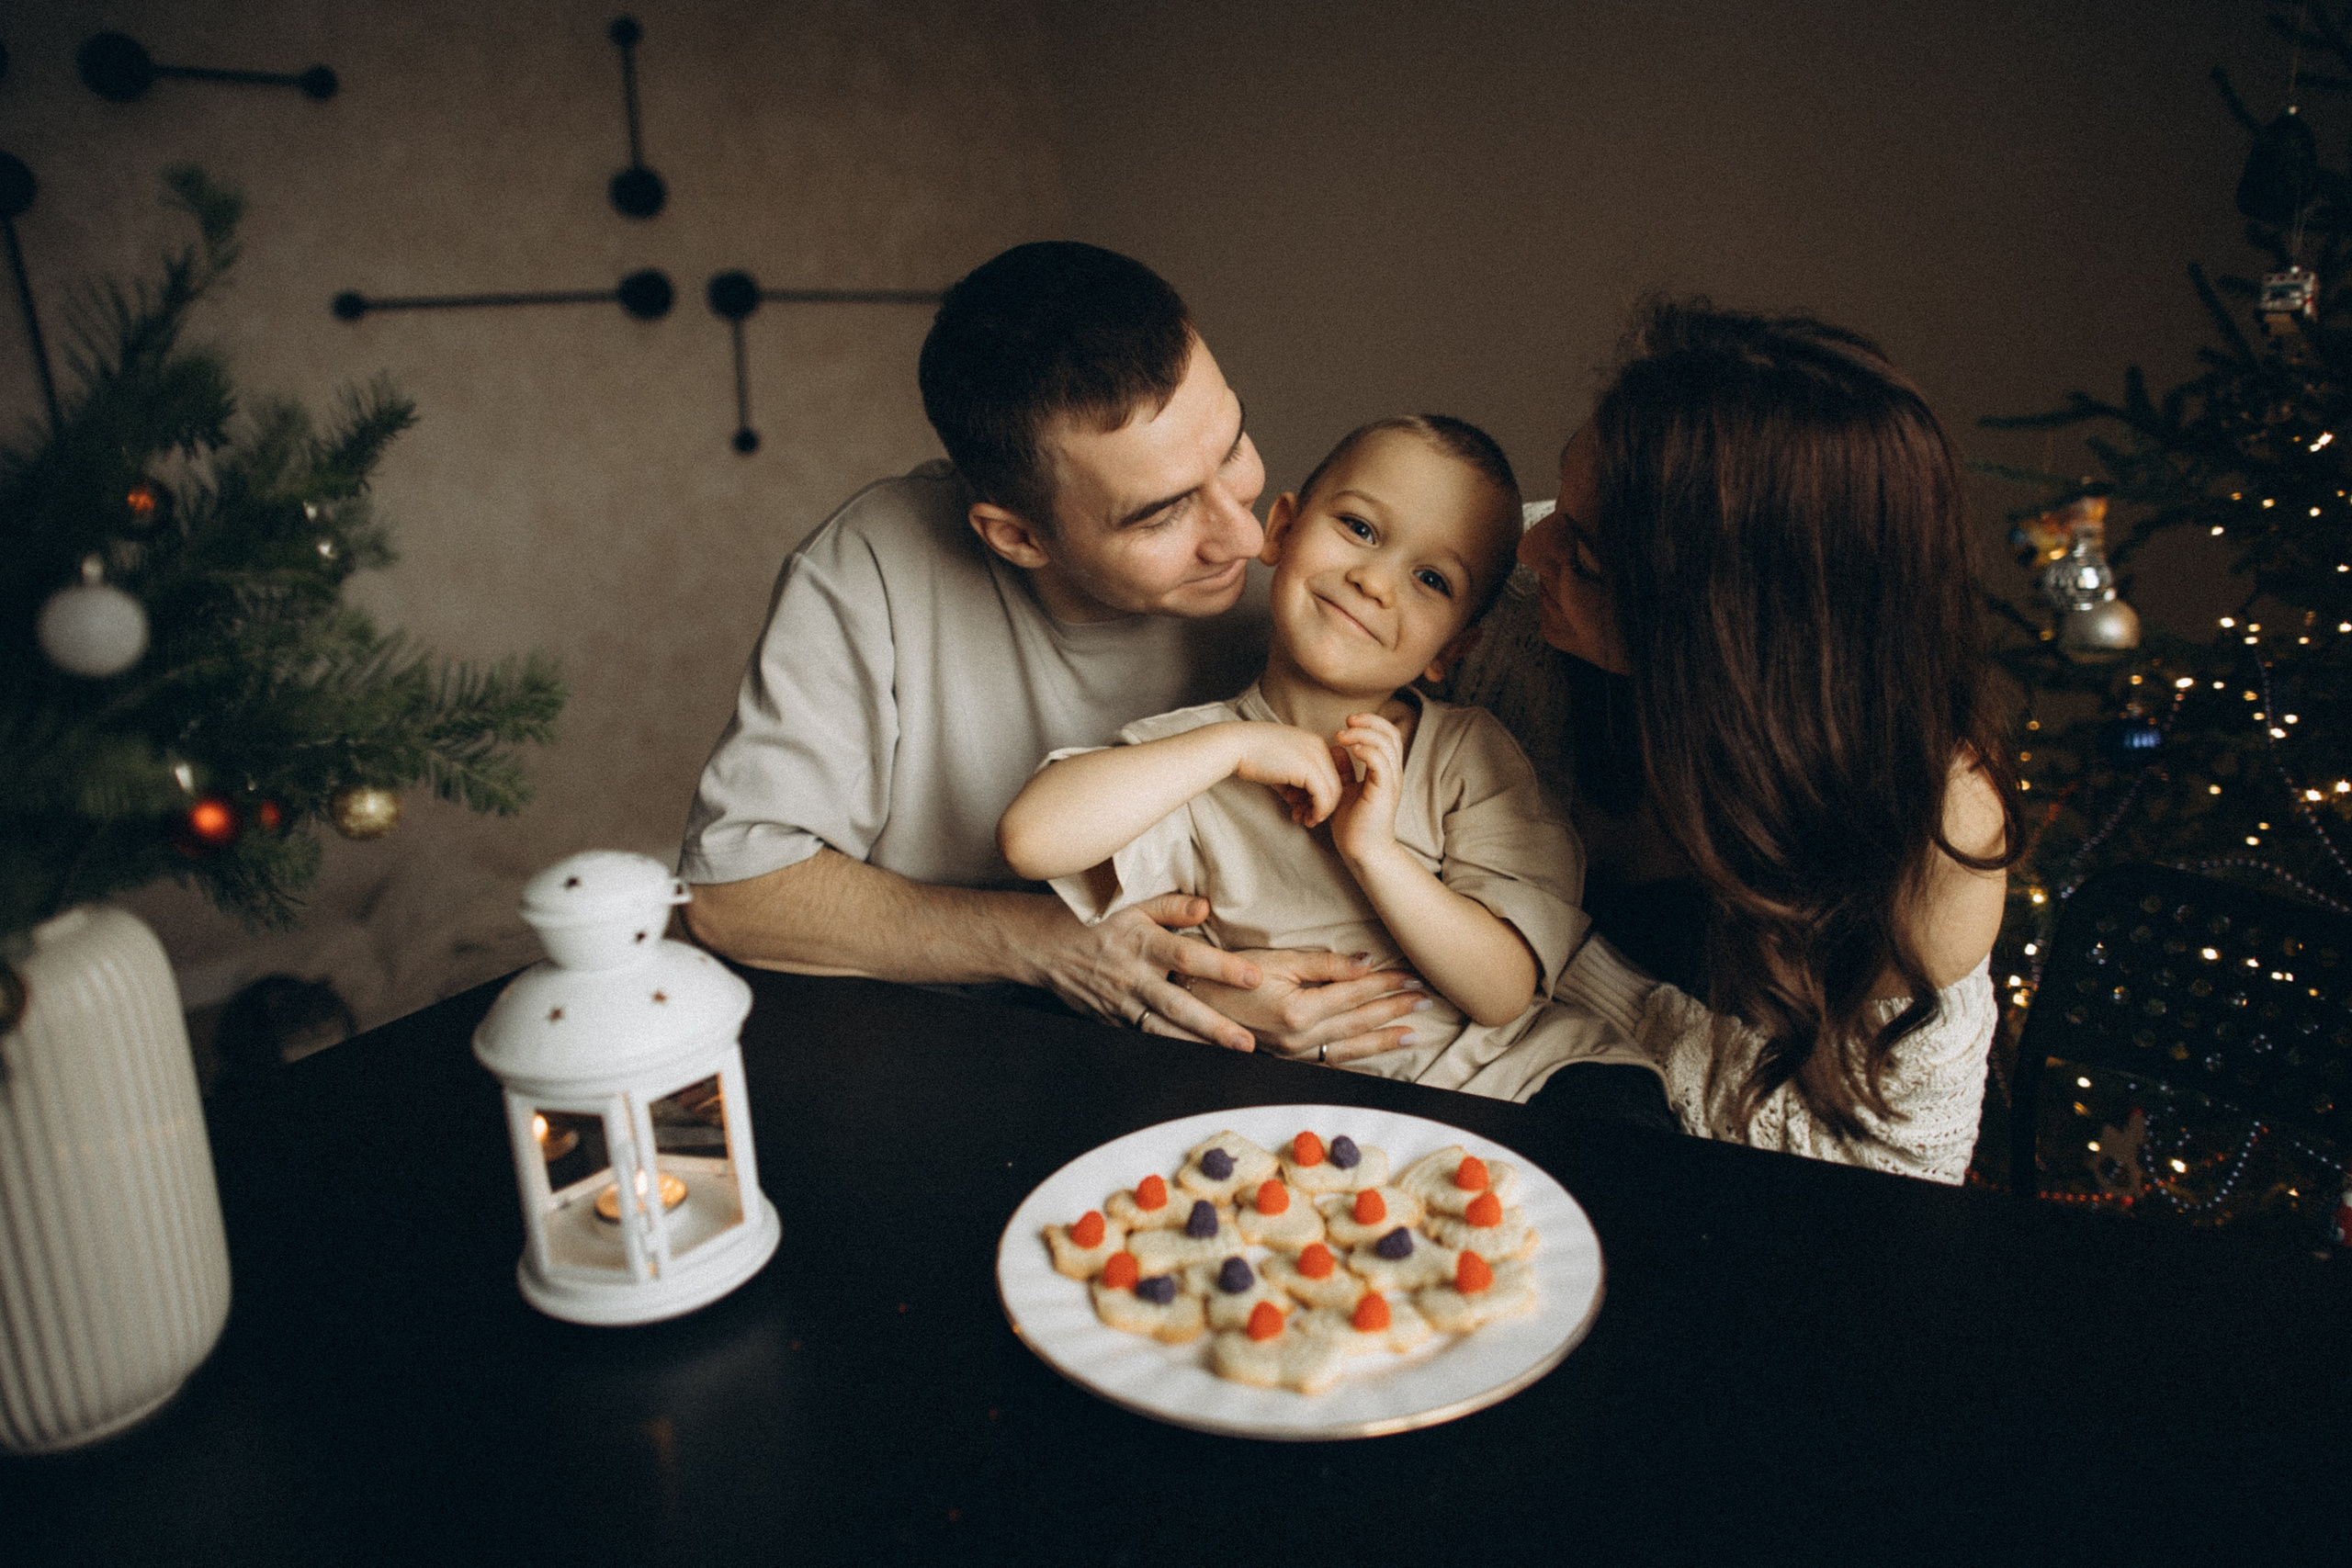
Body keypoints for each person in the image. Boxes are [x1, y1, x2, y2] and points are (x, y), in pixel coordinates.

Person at [678, 243, 1427, 1057]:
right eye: (1160, 515)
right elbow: (733, 893)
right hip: (936, 1036)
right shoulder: (872, 564)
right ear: (1020, 536)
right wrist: (1054, 944)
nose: (1245, 538)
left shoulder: (1311, 584)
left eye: (1233, 448)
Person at [1445, 300, 2020, 1181]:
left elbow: (1879, 1171)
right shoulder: (1528, 622)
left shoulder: (1934, 831)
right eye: (1560, 499)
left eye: (1588, 560)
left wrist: (1547, 978)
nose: (1532, 546)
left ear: (1732, 631)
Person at [999, 415, 1651, 1103]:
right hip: (1286, 1089)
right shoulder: (1197, 758)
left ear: (1451, 651)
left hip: (1498, 1077)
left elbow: (1503, 991)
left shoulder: (1468, 753)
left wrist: (1375, 852)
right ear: (1281, 529)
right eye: (1361, 528)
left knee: (1616, 1107)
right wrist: (1237, 744)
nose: (1375, 581)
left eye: (1431, 578)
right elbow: (1030, 839)